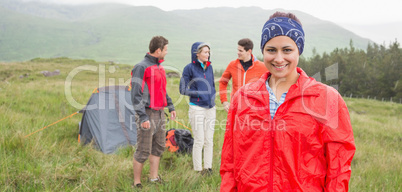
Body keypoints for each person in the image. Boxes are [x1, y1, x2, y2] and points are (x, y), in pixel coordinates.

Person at [220, 12, 356, 191]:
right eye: (271, 50)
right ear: (262, 51)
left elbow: (338, 168)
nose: (278, 58)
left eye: (287, 50)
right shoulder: (243, 98)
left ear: (299, 50)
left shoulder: (327, 99)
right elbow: (230, 162)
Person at [131, 36, 176, 188]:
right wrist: (143, 116)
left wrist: (171, 106)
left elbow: (163, 90)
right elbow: (135, 95)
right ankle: (137, 183)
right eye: (166, 49)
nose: (166, 52)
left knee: (158, 147)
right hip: (147, 113)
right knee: (143, 149)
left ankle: (153, 178)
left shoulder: (160, 68)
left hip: (160, 113)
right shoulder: (141, 67)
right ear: (158, 50)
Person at [180, 42, 216, 175]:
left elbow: (211, 85)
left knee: (209, 140)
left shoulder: (210, 67)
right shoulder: (189, 68)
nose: (208, 54)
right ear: (197, 53)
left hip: (210, 108)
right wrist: (199, 94)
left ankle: (208, 168)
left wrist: (212, 96)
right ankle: (198, 169)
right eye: (205, 52)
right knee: (199, 139)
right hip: (197, 108)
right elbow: (182, 89)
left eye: (208, 52)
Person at [219, 38, 267, 112]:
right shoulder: (232, 65)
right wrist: (224, 101)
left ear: (249, 51)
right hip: (236, 107)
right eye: (238, 50)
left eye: (241, 51)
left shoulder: (262, 67)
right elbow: (223, 82)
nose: (238, 52)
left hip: (254, 108)